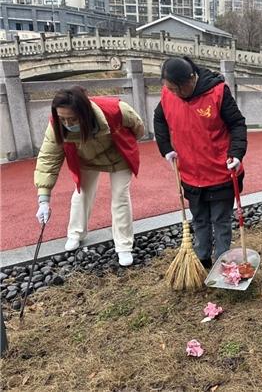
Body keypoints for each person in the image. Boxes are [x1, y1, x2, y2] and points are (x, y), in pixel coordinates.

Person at [154, 56, 247, 269]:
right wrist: (166, 148)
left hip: (220, 171)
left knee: (221, 221)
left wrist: (237, 153)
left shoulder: (217, 93)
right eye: (168, 89)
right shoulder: (169, 94)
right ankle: (201, 259)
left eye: (176, 89)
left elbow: (237, 124)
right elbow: (159, 118)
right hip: (190, 172)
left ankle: (223, 263)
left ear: (189, 80)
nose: (172, 93)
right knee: (200, 219)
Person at [34, 86, 145, 266]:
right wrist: (43, 199)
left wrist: (123, 141)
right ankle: (75, 233)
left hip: (118, 156)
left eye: (73, 119)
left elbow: (138, 127)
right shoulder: (56, 125)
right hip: (86, 157)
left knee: (120, 197)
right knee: (81, 193)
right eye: (63, 119)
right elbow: (48, 158)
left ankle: (124, 245)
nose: (68, 124)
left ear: (85, 113)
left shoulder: (116, 110)